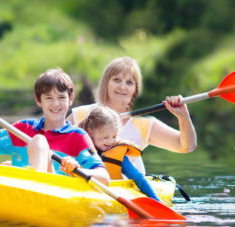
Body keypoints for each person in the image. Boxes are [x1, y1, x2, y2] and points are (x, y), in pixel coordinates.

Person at [0, 68, 110, 185]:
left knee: (39, 141)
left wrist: (77, 169)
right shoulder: (23, 128)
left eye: (61, 97)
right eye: (49, 98)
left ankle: (34, 189)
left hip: (49, 194)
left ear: (71, 99)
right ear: (38, 100)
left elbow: (104, 177)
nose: (56, 104)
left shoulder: (78, 136)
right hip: (13, 193)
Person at [69, 56, 197, 173]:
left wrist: (183, 117)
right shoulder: (81, 114)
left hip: (127, 187)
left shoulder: (144, 123)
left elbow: (186, 146)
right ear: (106, 83)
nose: (122, 87)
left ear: (135, 89)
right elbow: (53, 139)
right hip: (84, 181)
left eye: (129, 82)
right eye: (117, 80)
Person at [79, 105, 161, 201]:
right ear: (90, 131)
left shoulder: (117, 155)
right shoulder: (79, 148)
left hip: (110, 195)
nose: (110, 142)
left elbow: (138, 178)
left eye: (114, 137)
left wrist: (157, 201)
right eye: (105, 137)